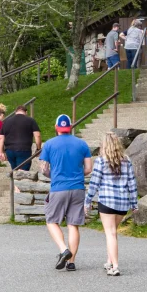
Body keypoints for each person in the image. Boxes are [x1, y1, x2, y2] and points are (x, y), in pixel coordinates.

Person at [39, 115, 93, 271]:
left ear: (57, 128)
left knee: (51, 221)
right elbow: (88, 169)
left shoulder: (49, 144)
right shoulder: (82, 144)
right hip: (78, 189)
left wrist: (53, 175)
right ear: (70, 128)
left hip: (58, 188)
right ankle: (71, 262)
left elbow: (43, 169)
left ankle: (63, 250)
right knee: (73, 225)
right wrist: (75, 175)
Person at [84, 132, 137, 276]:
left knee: (110, 233)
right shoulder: (127, 160)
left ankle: (115, 266)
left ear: (104, 145)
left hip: (107, 201)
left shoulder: (101, 161)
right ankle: (109, 261)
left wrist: (87, 200)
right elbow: (132, 183)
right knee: (113, 233)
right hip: (122, 203)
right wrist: (134, 203)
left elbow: (94, 183)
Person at [0, 104, 42, 184]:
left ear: (15, 112)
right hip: (24, 150)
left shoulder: (6, 121)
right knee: (23, 173)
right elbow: (37, 135)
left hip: (9, 151)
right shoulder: (30, 120)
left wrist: (1, 152)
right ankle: (19, 191)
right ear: (26, 112)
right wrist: (38, 149)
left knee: (15, 170)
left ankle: (16, 189)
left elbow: (1, 138)